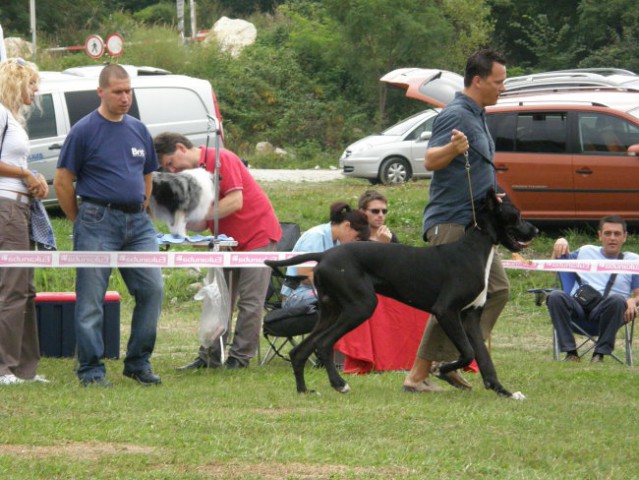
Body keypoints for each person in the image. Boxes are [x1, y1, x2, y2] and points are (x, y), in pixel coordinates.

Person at [403, 48, 509, 393]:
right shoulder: (455, 115)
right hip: (452, 221)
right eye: (498, 82)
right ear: (478, 81)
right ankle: (418, 376)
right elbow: (432, 160)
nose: (502, 88)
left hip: (478, 225)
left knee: (496, 290)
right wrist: (452, 150)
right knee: (449, 301)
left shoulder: (477, 114)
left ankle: (452, 361)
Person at [53, 64, 164, 387]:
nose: (124, 97)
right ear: (100, 92)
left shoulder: (138, 129)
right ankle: (91, 369)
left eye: (128, 91)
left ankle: (138, 362)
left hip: (138, 224)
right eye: (118, 91)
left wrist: (143, 204)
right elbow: (62, 182)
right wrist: (80, 221)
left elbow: (147, 172)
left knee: (153, 289)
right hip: (96, 219)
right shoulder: (84, 130)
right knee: (91, 299)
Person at [153, 132, 282, 370]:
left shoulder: (222, 159)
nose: (171, 171)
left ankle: (239, 358)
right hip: (225, 242)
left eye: (170, 163)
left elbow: (235, 202)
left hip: (257, 236)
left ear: (181, 148)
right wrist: (178, 221)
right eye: (166, 168)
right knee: (218, 299)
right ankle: (209, 356)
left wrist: (200, 215)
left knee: (250, 302)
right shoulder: (190, 176)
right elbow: (204, 219)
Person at [0, 58, 50, 385]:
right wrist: (25, 173)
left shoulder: (14, 119)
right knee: (12, 288)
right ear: (17, 83)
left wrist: (36, 181)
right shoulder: (1, 115)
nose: (36, 91)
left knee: (25, 288)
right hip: (6, 206)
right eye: (32, 84)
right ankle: (4, 367)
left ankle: (24, 367)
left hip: (21, 207)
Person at [547, 216, 639, 363]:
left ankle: (599, 354)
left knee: (617, 300)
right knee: (555, 295)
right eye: (607, 233)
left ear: (625, 237)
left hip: (611, 312)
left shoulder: (634, 261)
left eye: (617, 234)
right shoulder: (585, 251)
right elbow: (556, 267)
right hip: (580, 308)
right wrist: (560, 242)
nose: (612, 238)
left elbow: (638, 294)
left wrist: (633, 300)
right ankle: (571, 353)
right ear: (599, 235)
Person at [281, 202, 370, 309]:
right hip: (296, 296)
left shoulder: (336, 241)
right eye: (357, 237)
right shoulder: (315, 237)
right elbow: (305, 277)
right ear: (347, 226)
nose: (355, 242)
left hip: (316, 293)